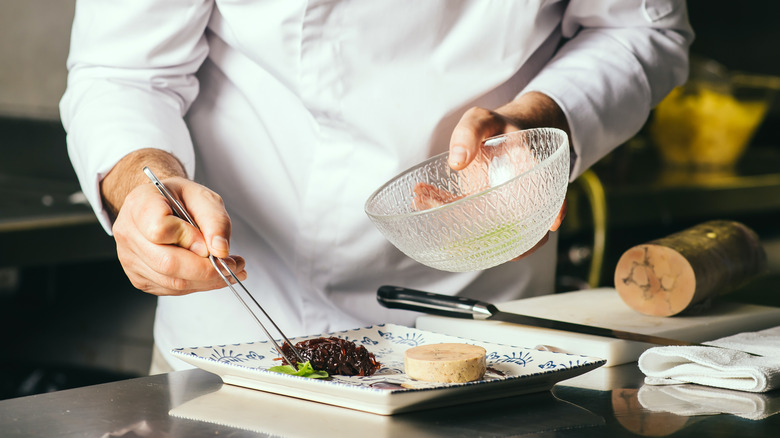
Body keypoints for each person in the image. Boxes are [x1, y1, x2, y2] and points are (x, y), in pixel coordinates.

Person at [60, 1, 693, 372]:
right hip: (242, 316)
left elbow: (640, 27)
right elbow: (122, 70)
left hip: (483, 307)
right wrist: (143, 182)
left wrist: (542, 122)